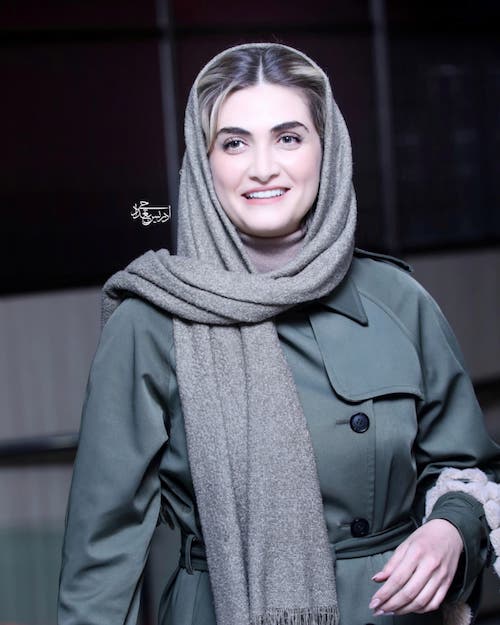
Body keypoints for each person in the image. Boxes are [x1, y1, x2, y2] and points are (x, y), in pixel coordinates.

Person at [57, 42, 500, 625]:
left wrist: (451, 530)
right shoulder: (152, 319)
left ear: (328, 150)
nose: (263, 167)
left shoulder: (397, 299)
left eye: (288, 138)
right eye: (234, 142)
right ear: (204, 162)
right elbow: (102, 552)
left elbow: (467, 466)